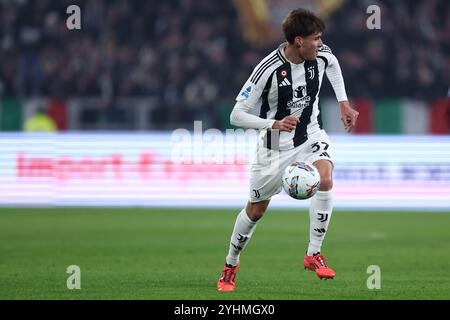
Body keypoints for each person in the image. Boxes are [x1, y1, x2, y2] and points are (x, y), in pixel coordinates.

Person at [217, 8, 359, 292]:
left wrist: (343, 101)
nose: (320, 44)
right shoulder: (267, 69)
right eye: (315, 39)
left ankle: (313, 253)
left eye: (321, 38)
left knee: (326, 179)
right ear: (298, 41)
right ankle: (230, 266)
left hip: (309, 135)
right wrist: (274, 123)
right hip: (273, 146)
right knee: (256, 210)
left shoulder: (320, 54)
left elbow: (332, 63)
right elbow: (236, 115)